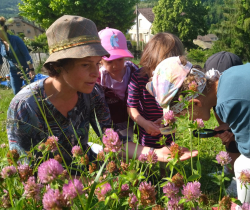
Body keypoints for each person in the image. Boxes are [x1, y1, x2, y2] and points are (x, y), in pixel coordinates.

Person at [7, 15, 197, 169]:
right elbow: (25, 169)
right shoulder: (25, 106)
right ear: (58, 66)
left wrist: (155, 153)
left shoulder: (93, 94)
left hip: (86, 169)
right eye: (85, 64)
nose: (96, 73)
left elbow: (113, 140)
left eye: (97, 64)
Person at [146, 56, 250, 205]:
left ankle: (243, 208)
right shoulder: (227, 79)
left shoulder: (229, 103)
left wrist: (238, 137)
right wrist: (237, 131)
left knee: (244, 165)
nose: (190, 120)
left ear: (194, 103)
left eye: (184, 114)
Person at [127, 32, 191, 148]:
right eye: (157, 71)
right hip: (146, 128)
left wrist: (167, 118)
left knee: (167, 155)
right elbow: (131, 107)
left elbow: (180, 105)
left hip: (167, 127)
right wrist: (145, 124)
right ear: (149, 61)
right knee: (148, 157)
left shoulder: (177, 81)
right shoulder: (138, 78)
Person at [204, 51, 243, 173]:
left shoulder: (242, 99)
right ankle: (230, 169)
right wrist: (228, 131)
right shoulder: (215, 100)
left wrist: (235, 130)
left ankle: (240, 175)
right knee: (229, 136)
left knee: (241, 139)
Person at [97, 27, 138, 140]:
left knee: (130, 143)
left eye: (120, 59)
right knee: (114, 145)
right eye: (109, 61)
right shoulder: (99, 78)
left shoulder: (133, 71)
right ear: (100, 59)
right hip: (111, 120)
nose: (116, 66)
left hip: (135, 116)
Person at [0, 16, 35, 95]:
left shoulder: (16, 40)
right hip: (13, 72)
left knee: (31, 92)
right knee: (17, 93)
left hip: (26, 69)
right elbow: (0, 62)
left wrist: (31, 70)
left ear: (2, 28)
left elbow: (26, 55)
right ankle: (21, 107)